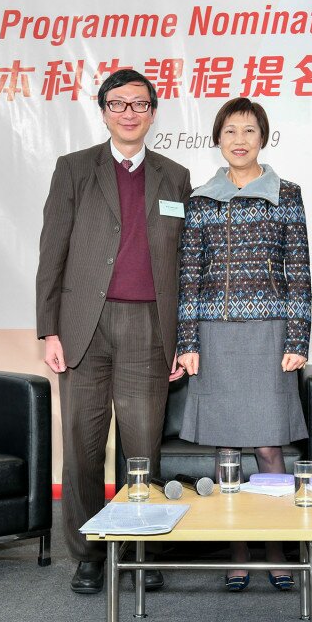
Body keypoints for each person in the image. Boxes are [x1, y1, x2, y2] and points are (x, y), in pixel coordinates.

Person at [35, 69, 191, 594]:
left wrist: (182, 336)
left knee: (142, 447)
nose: (129, 113)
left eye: (140, 104)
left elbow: (185, 263)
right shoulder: (75, 169)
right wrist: (48, 328)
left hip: (150, 326)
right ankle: (88, 553)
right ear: (103, 111)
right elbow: (51, 250)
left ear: (153, 112)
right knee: (82, 445)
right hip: (84, 326)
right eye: (118, 104)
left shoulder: (175, 176)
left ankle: (139, 551)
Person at [176, 97, 311, 593]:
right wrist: (186, 341)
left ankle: (276, 548)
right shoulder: (199, 199)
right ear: (218, 139)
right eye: (230, 131)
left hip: (270, 334)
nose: (239, 139)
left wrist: (299, 337)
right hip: (213, 334)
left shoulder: (287, 194)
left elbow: (299, 272)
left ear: (263, 138)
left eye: (249, 131)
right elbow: (187, 276)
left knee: (270, 447)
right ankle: (235, 550)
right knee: (226, 449)